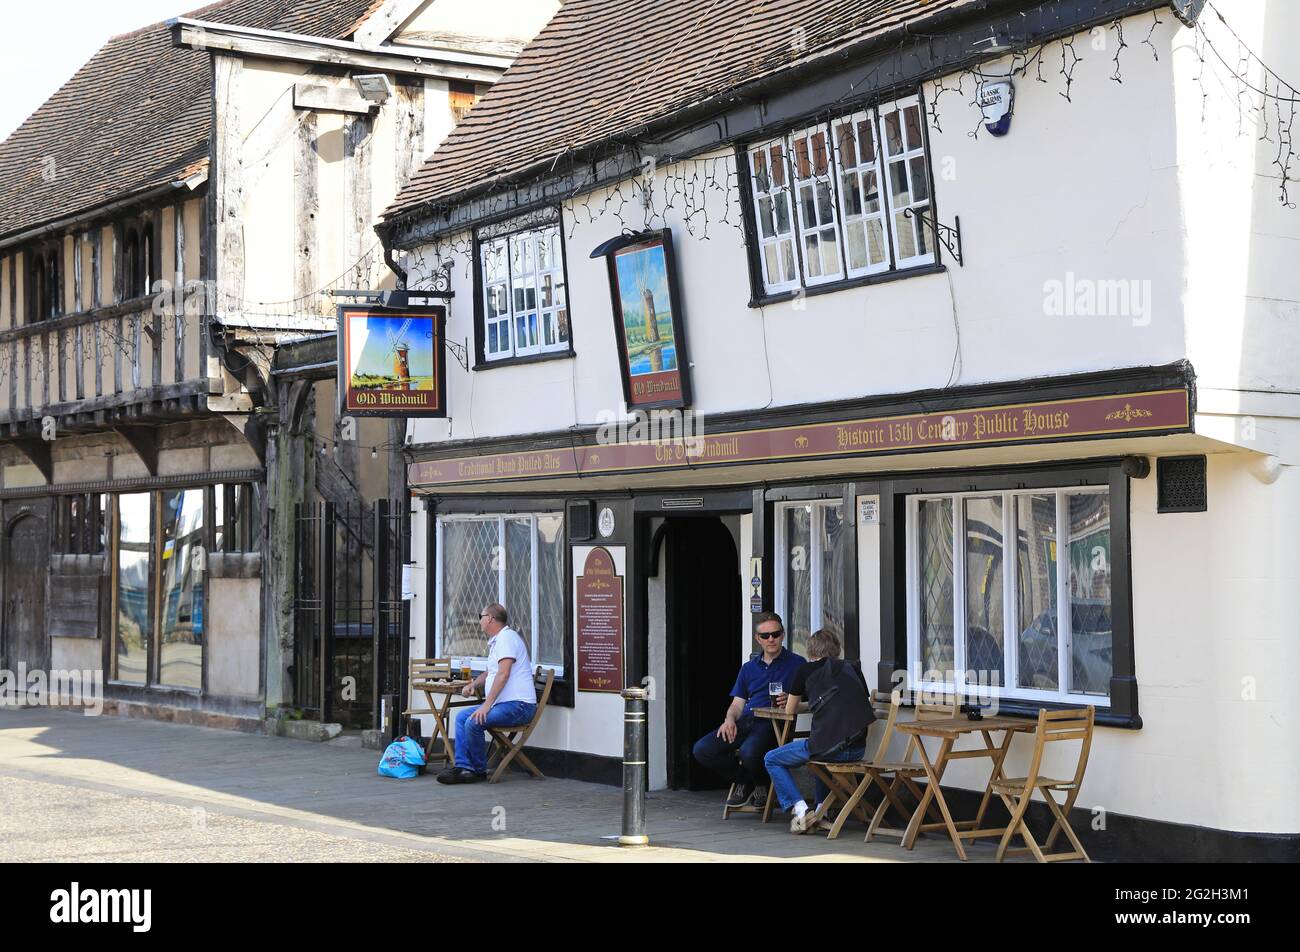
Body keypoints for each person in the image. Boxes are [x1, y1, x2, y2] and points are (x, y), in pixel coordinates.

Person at [763, 627, 876, 833]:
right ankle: (821, 809)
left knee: (771, 758)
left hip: (829, 749)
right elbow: (859, 703)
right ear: (836, 649)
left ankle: (800, 811)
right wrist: (812, 704)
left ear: (810, 651)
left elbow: (790, 711)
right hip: (858, 749)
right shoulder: (853, 668)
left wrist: (798, 701)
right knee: (819, 754)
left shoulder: (805, 671)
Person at [691, 612, 805, 808]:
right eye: (765, 635)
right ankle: (747, 780)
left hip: (773, 722)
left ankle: (761, 784)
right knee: (702, 750)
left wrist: (794, 699)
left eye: (776, 634)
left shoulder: (797, 663)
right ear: (757, 639)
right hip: (746, 720)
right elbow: (737, 703)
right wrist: (729, 719)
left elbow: (810, 696)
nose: (771, 639)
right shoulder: (749, 668)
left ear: (783, 635)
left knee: (749, 752)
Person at [437, 603, 537, 784]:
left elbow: (503, 674)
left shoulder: (507, 638)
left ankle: (477, 770)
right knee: (461, 718)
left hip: (519, 706)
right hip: (505, 704)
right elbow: (490, 672)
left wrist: (486, 705)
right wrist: (473, 684)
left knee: (474, 721)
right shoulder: (498, 641)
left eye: (480, 617)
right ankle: (463, 767)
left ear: (490, 618)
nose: (479, 621)